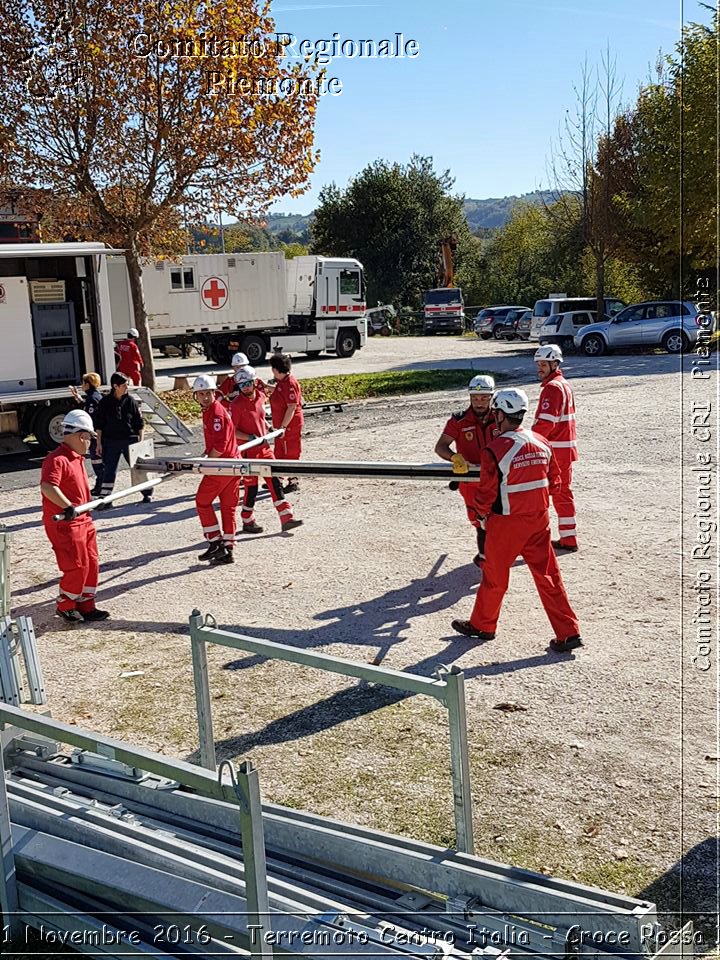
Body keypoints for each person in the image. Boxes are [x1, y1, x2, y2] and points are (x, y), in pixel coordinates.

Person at [450, 388, 582, 654]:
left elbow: (486, 493)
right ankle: (568, 632)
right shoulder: (542, 442)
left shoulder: (496, 449)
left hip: (507, 523)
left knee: (494, 576)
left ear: (498, 415)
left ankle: (483, 625)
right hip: (539, 520)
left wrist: (480, 515)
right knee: (549, 576)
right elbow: (555, 483)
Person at [40, 410, 110, 623]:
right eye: (88, 437)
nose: (89, 443)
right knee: (76, 567)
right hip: (66, 523)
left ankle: (86, 604)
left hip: (83, 520)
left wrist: (92, 503)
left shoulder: (76, 459)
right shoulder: (57, 459)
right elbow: (47, 486)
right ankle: (66, 604)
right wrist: (68, 506)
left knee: (91, 563)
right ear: (81, 436)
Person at [230, 365, 303, 534]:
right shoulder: (236, 405)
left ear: (254, 382)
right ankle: (247, 520)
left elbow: (260, 419)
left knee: (275, 481)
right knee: (251, 488)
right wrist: (249, 437)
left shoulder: (261, 397)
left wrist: (269, 429)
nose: (246, 388)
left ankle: (287, 517)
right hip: (249, 452)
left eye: (248, 383)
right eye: (242, 385)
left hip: (264, 448)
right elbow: (232, 430)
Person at [435, 375, 497, 565]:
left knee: (497, 519)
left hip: (495, 478)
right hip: (469, 481)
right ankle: (487, 557)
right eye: (475, 398)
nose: (479, 402)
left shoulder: (502, 417)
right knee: (478, 521)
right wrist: (454, 457)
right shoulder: (458, 421)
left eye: (484, 398)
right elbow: (441, 446)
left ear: (492, 397)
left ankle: (490, 557)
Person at [532, 344, 578, 552]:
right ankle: (569, 538)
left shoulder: (552, 388)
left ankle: (540, 539)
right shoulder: (563, 384)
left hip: (555, 451)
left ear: (554, 363)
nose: (539, 368)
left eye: (543, 364)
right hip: (564, 449)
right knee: (562, 493)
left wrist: (526, 438)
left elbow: (545, 424)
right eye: (538, 364)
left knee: (540, 495)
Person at [192, 374, 240, 566]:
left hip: (221, 466)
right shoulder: (212, 410)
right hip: (233, 465)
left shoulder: (216, 413)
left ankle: (214, 540)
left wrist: (205, 463)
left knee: (202, 502)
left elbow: (220, 445)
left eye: (207, 393)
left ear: (214, 393)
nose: (204, 397)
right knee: (228, 507)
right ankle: (228, 549)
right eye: (201, 393)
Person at [95, 372, 152, 507]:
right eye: (125, 385)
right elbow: (99, 425)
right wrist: (98, 443)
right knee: (109, 470)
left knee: (137, 468)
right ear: (116, 386)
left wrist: (141, 442)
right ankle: (106, 499)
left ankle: (147, 493)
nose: (127, 387)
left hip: (130, 440)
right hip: (110, 441)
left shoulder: (131, 401)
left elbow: (139, 423)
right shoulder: (104, 403)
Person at [268, 353, 304, 493]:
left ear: (276, 369)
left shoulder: (290, 383)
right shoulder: (282, 382)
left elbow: (292, 406)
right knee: (279, 450)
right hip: (280, 424)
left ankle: (293, 480)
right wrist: (265, 386)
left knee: (291, 451)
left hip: (290, 425)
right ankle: (279, 478)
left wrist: (284, 426)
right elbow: (278, 392)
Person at [69, 372, 104, 495]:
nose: (81, 385)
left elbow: (90, 416)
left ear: (88, 384)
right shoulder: (96, 396)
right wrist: (77, 397)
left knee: (97, 462)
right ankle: (100, 486)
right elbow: (86, 407)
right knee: (98, 461)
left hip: (96, 435)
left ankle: (101, 487)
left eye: (83, 383)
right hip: (98, 435)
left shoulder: (92, 399)